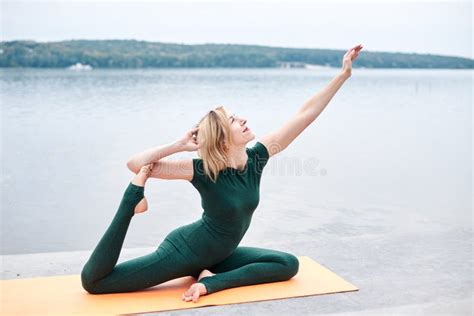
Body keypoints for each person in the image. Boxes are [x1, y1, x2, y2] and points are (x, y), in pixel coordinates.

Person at [80, 44, 363, 302]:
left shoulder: (257, 159)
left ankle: (210, 281)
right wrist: (179, 144)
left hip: (220, 257)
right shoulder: (203, 170)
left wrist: (343, 75)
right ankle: (132, 201)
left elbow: (304, 115)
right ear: (223, 139)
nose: (244, 120)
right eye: (235, 120)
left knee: (288, 264)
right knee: (95, 282)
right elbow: (136, 163)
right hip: (184, 252)